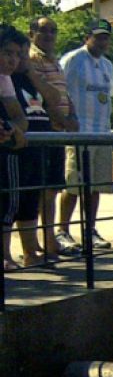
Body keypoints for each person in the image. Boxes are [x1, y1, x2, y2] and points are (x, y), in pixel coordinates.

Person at [57, 19, 113, 253]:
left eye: (105, 37)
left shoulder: (107, 65)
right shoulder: (72, 60)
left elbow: (107, 97)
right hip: (79, 132)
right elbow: (60, 91)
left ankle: (89, 230)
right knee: (73, 185)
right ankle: (62, 230)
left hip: (102, 132)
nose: (102, 41)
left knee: (96, 185)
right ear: (87, 37)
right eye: (98, 36)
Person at [28, 16, 77, 262]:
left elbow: (62, 93)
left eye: (53, 31)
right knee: (45, 192)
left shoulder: (54, 60)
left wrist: (73, 114)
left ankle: (45, 242)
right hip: (46, 131)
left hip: (58, 132)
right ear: (32, 33)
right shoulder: (32, 59)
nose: (49, 36)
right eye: (44, 31)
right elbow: (43, 97)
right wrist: (63, 120)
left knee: (52, 190)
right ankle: (46, 244)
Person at [0, 25, 30, 270]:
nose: (14, 60)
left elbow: (20, 117)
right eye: (8, 53)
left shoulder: (4, 79)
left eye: (18, 54)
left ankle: (5, 254)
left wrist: (13, 129)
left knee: (8, 199)